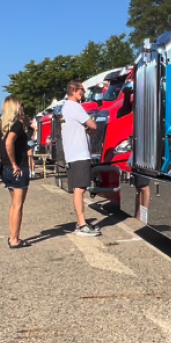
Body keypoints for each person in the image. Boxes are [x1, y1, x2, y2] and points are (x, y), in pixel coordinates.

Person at [61, 80, 101, 236]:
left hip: (72, 153)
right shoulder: (75, 107)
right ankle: (82, 224)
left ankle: (81, 222)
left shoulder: (65, 108)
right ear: (73, 90)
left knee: (80, 188)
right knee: (80, 189)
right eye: (81, 90)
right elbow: (93, 125)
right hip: (79, 153)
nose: (83, 93)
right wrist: (89, 129)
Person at [0, 96, 31, 248]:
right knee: (18, 205)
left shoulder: (4, 126)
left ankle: (13, 235)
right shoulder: (17, 125)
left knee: (14, 204)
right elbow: (9, 142)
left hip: (6, 169)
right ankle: (14, 239)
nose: (23, 109)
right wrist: (14, 164)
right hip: (17, 168)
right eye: (21, 106)